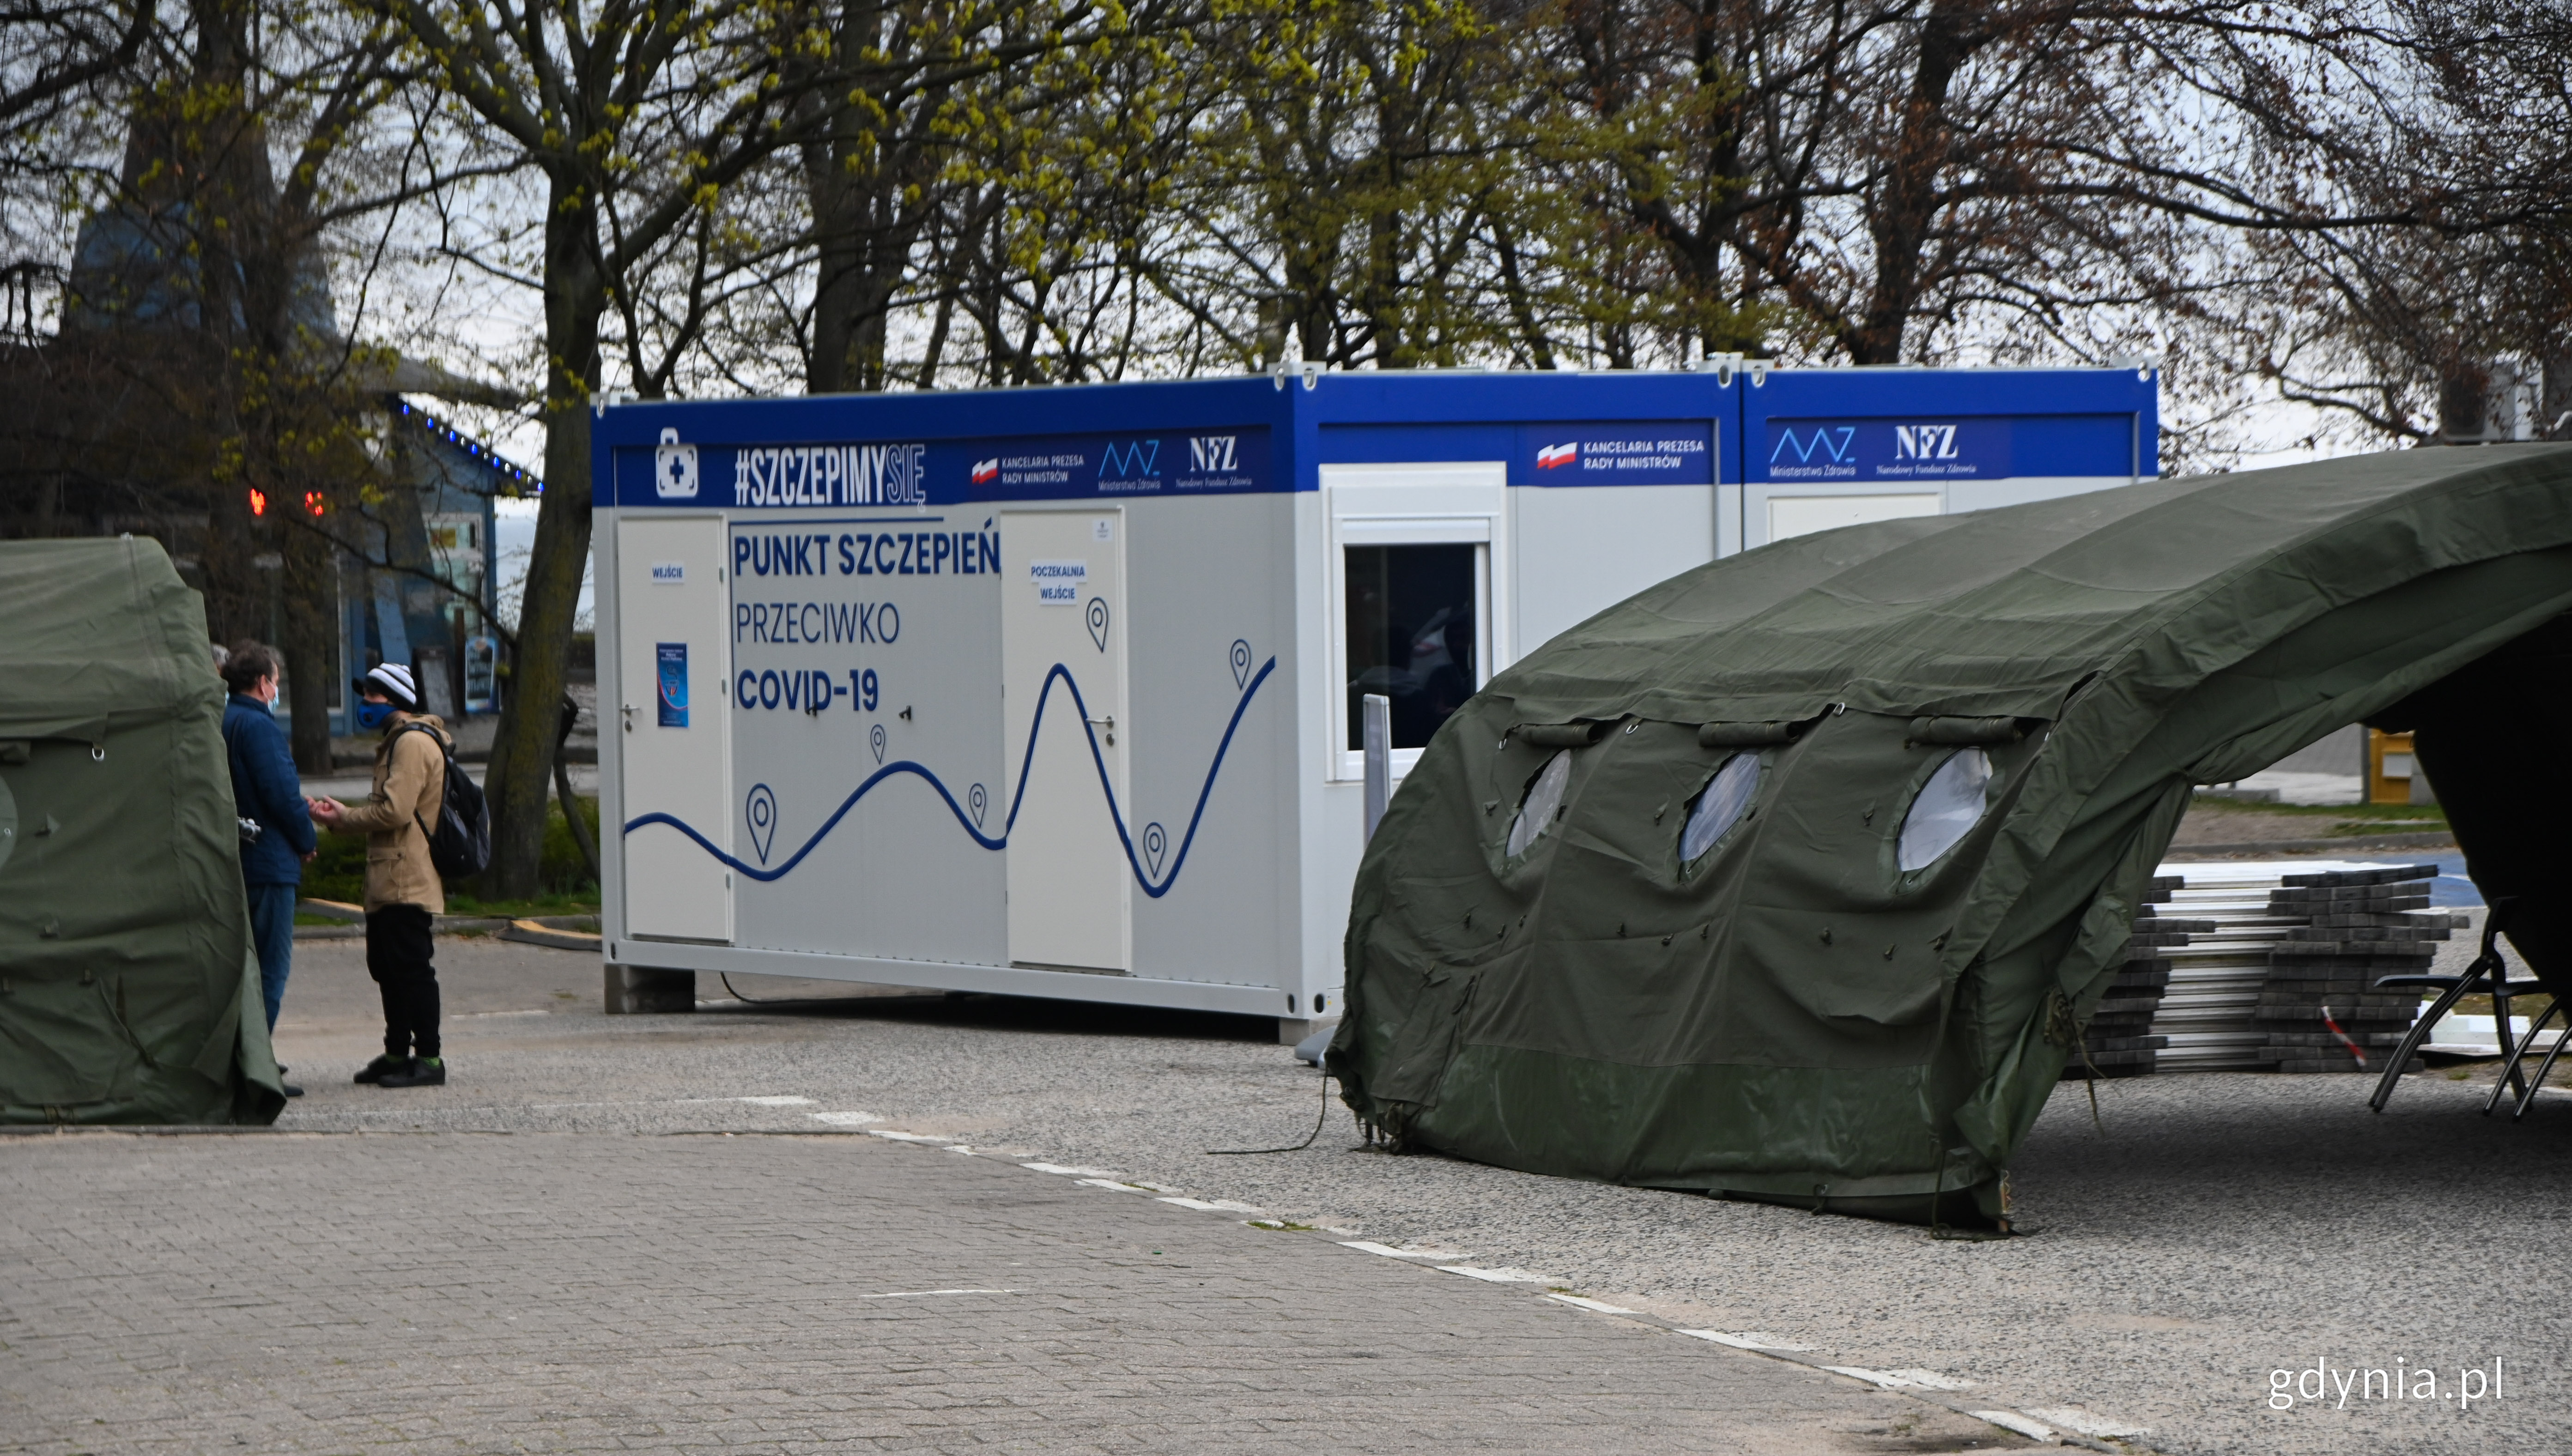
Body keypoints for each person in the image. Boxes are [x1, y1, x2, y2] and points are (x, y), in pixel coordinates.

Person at [309, 663, 451, 1088]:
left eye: (371, 696)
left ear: (392, 699)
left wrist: (344, 817)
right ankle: (396, 1052)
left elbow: (396, 810)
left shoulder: (410, 743)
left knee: (411, 968)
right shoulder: (397, 742)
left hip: (407, 878)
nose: (364, 704)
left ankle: (429, 1057)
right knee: (387, 968)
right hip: (390, 877)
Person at [220, 641, 316, 1097]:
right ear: (262, 684)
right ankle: (254, 1069)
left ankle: (244, 1060)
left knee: (244, 968)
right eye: (276, 681)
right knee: (270, 970)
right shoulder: (258, 727)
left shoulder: (223, 721)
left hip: (238, 856)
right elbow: (279, 792)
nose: (276, 688)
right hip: (269, 861)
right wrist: (306, 836)